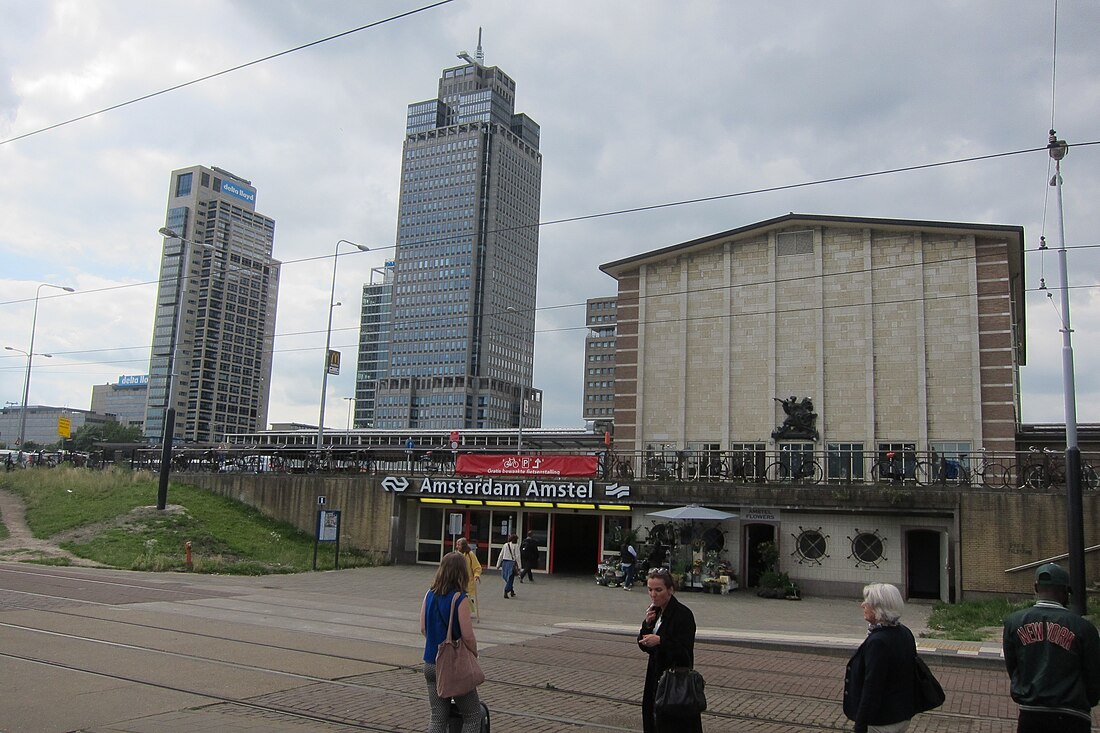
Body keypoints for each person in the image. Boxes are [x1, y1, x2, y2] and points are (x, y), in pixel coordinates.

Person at [1003, 562, 1100, 733]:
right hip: (1073, 715)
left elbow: (1014, 667)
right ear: (1065, 592)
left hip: (1030, 713)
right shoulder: (1084, 628)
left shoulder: (1013, 623)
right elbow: (1094, 675)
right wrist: (1088, 700)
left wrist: (1024, 691)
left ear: (1035, 587)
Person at [419, 551, 483, 733]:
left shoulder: (429, 594)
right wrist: (474, 654)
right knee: (472, 715)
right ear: (461, 573)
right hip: (454, 668)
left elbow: (423, 628)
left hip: (431, 663)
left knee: (438, 717)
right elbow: (468, 636)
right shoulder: (459, 599)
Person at [843, 583, 917, 733]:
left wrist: (861, 724)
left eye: (867, 602)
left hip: (881, 721)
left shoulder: (878, 642)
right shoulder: (904, 632)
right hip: (901, 715)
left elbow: (872, 686)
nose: (862, 605)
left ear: (879, 608)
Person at [637, 567, 701, 733]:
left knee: (672, 724)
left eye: (658, 590)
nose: (653, 595)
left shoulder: (683, 615)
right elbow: (642, 643)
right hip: (655, 677)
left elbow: (684, 651)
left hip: (675, 681)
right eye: (650, 590)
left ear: (670, 590)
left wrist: (660, 641)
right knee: (654, 719)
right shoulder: (655, 613)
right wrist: (647, 625)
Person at [455, 537, 482, 614]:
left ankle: (466, 612)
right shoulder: (456, 554)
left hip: (468, 581)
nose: (457, 546)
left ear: (463, 545)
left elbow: (477, 567)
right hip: (457, 581)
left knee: (468, 598)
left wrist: (476, 575)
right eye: (457, 544)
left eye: (458, 545)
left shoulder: (470, 554)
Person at [499, 533, 520, 598]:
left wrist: (498, 564)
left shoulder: (505, 545)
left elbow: (501, 555)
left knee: (506, 577)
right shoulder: (516, 546)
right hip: (511, 563)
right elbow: (517, 556)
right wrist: (519, 566)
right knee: (510, 579)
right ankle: (506, 591)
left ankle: (512, 591)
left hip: (504, 563)